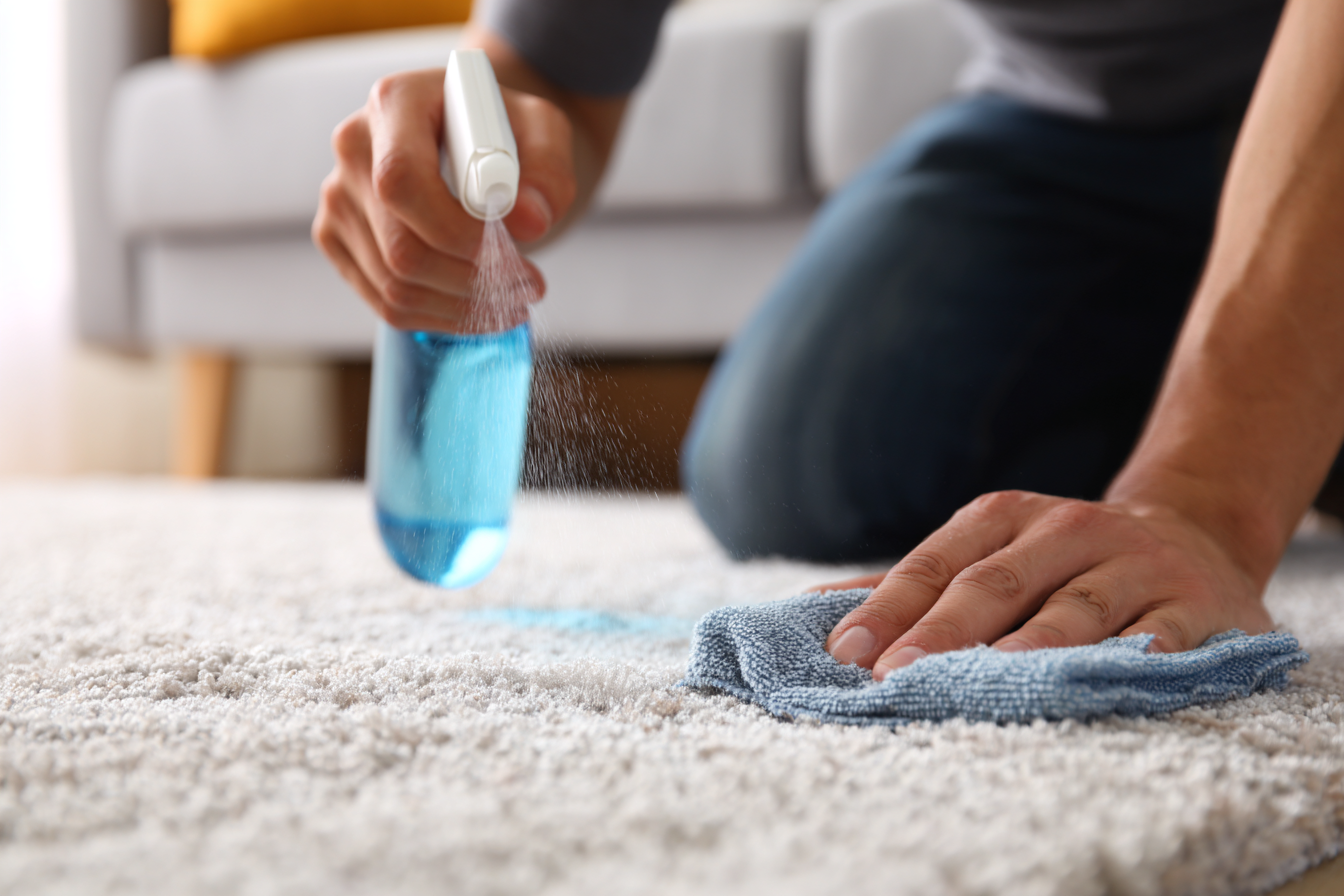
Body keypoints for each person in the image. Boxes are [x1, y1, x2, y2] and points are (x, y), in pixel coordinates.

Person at [313, 0, 1344, 681]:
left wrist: (1203, 493)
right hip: (1076, 117)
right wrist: (479, 128)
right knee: (796, 462)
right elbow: (548, 76)